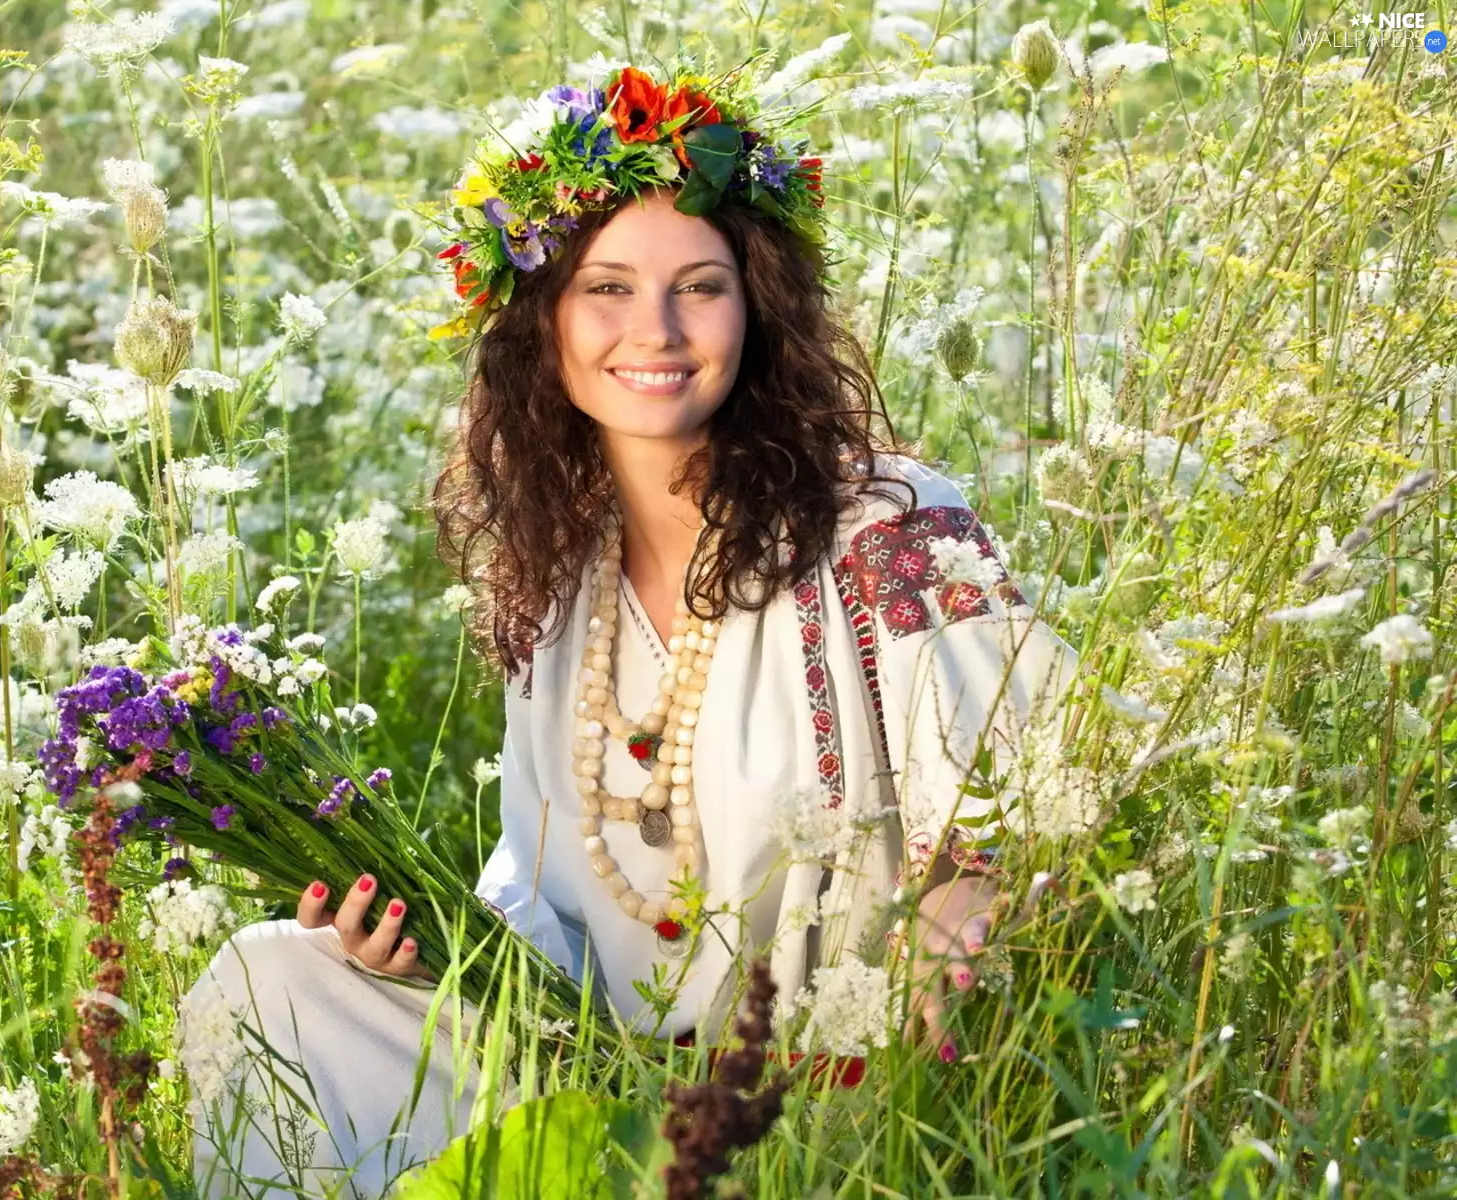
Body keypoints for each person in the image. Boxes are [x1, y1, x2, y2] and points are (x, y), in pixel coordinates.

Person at [182, 61, 1081, 1199]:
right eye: (606, 286)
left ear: (757, 308)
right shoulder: (561, 581)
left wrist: (898, 1077)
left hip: (826, 1100)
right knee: (278, 980)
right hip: (599, 1074)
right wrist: (407, 957)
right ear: (542, 321)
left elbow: (1021, 826)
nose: (654, 329)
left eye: (698, 285)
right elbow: (546, 895)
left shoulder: (884, 525)